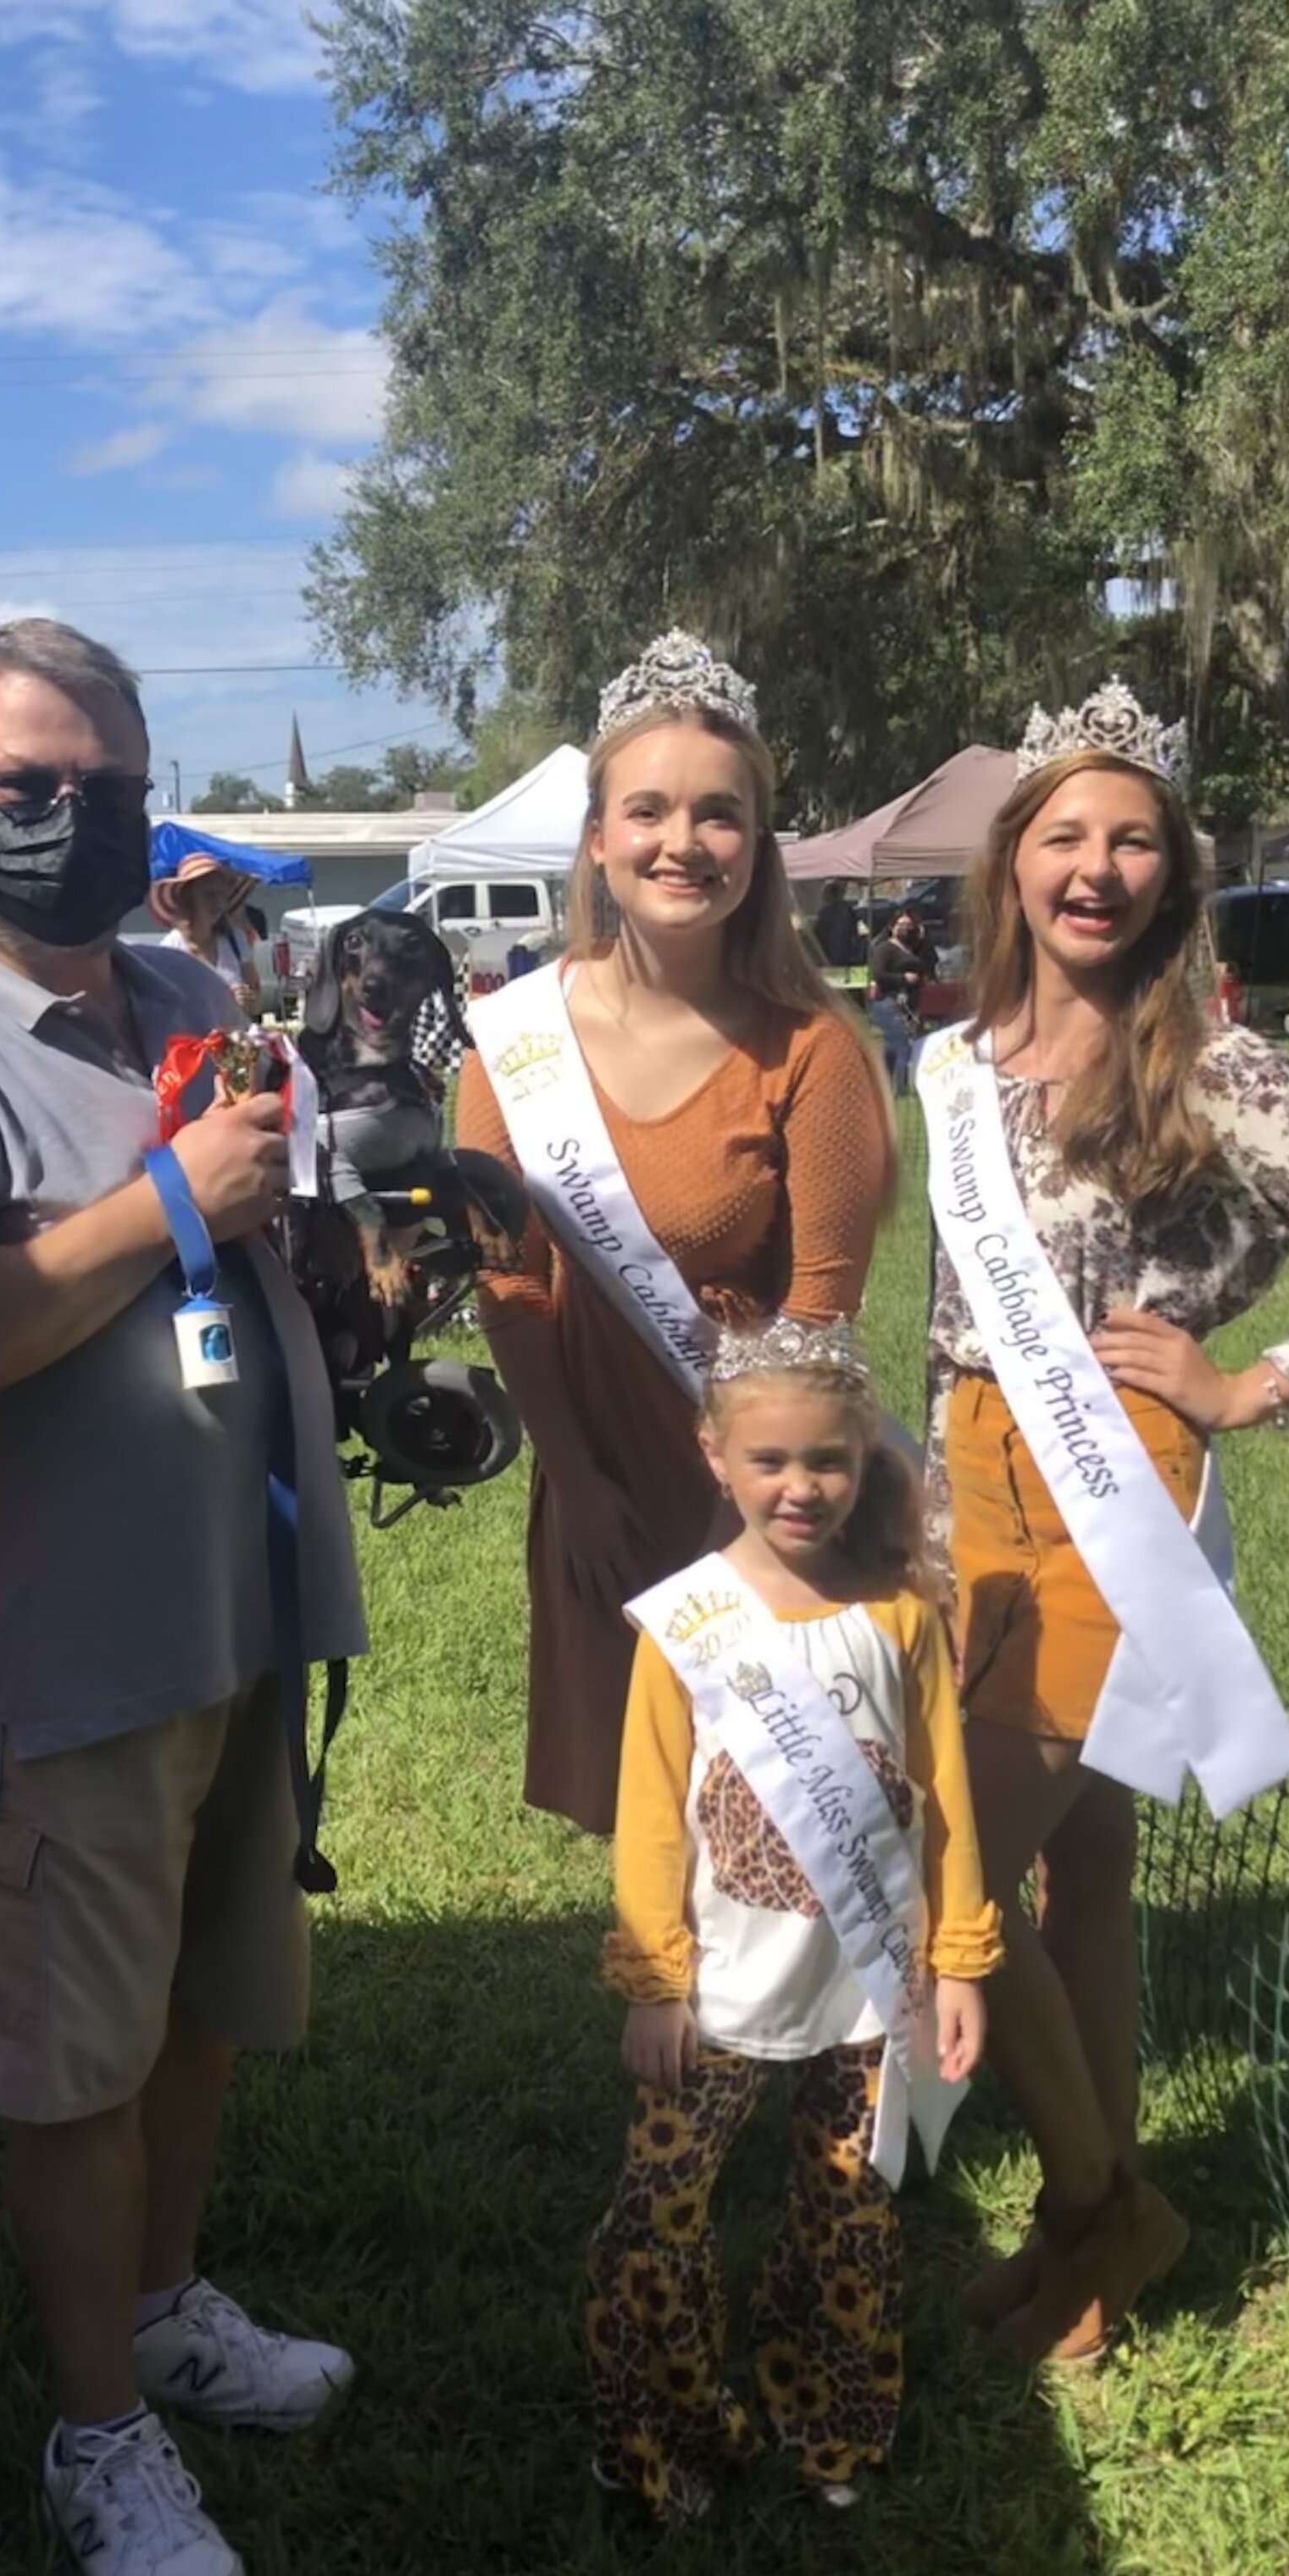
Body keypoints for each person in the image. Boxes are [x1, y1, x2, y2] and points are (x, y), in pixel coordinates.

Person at [0, 617, 367, 2576]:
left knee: (202, 2003)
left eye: (103, 785)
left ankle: (163, 2308)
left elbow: (223, 1224)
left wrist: (282, 1206)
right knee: (67, 2069)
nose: (64, 817)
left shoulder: (184, 986)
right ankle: (97, 2432)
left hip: (226, 1601)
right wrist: (175, 1207)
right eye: (21, 785)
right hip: (47, 1650)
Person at [914, 681, 1289, 2367]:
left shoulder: (1212, 1062)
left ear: (1174, 872)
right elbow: (944, 1302)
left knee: (951, 1866)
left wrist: (1248, 1385)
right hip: (970, 1464)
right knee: (1081, 1874)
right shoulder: (955, 1060)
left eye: (1133, 841)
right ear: (1013, 856)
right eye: (1065, 836)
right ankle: (1085, 2227)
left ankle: (1106, 2204)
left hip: (1113, 1484)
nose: (1095, 870)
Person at [459, 629, 892, 1835]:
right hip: (598, 1472)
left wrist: (741, 1522)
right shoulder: (513, 1044)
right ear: (598, 837)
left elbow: (821, 1306)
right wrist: (580, 1483)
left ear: (757, 846)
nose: (681, 844)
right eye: (647, 810)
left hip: (769, 1482)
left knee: (776, 1822)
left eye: (719, 815)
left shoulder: (814, 1052)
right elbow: (514, 1290)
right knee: (647, 1824)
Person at [587, 1316, 999, 2524]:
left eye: (827, 1460)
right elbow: (652, 1811)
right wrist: (656, 1978)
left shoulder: (903, 1617)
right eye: (769, 1462)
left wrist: (960, 1961)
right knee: (655, 2218)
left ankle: (826, 2415)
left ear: (864, 1457)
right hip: (715, 1991)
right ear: (714, 1453)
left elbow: (946, 1803)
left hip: (866, 1991)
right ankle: (660, 2435)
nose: (800, 1488)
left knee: (849, 2214)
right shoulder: (689, 1623)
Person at [149, 849, 262, 1013]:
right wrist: (223, 1003)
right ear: (188, 899)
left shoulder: (235, 940)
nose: (218, 903)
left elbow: (257, 1005)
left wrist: (247, 1002)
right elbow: (164, 1013)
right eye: (209, 895)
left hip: (235, 1037)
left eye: (221, 895)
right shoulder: (171, 949)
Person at [867, 908, 930, 1092]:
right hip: (886, 1002)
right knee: (901, 1044)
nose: (905, 929)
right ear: (892, 927)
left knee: (891, 1047)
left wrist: (923, 938)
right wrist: (903, 979)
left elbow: (929, 962)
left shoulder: (914, 949)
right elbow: (878, 974)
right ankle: (900, 1089)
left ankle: (883, 1085)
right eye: (901, 925)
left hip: (908, 1003)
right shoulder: (885, 949)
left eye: (909, 926)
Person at [811, 879, 861, 969]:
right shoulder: (848, 909)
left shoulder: (825, 912)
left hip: (831, 952)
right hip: (845, 953)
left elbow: (819, 932)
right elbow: (855, 931)